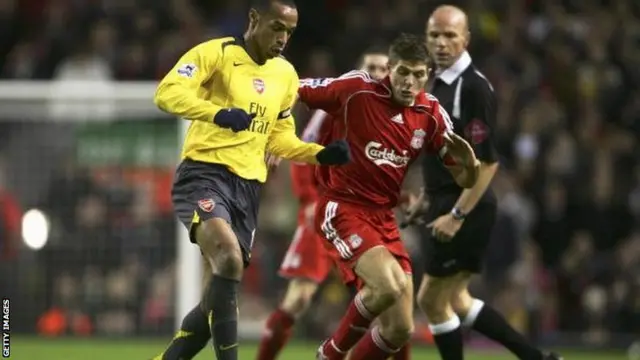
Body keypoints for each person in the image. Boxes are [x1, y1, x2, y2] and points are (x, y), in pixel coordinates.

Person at [151, 1, 351, 359]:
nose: (282, 38)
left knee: (216, 295)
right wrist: (218, 113)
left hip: (247, 189)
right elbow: (167, 93)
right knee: (227, 258)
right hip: (204, 173)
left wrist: (318, 153)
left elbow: (279, 136)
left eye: (289, 32)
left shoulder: (286, 75)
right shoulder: (217, 53)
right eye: (276, 27)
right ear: (254, 19)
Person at [298, 33, 480, 360]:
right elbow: (293, 89)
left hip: (384, 218)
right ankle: (329, 355)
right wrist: (271, 125)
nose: (410, 82)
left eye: (418, 75)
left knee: (400, 329)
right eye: (403, 73)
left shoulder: (431, 114)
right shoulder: (357, 90)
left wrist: (470, 165)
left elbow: (464, 178)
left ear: (428, 76)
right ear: (390, 69)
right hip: (343, 206)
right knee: (387, 287)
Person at [404, 5, 562, 360]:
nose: (441, 43)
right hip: (446, 203)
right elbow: (443, 155)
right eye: (434, 35)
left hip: (467, 207)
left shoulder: (474, 88)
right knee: (456, 300)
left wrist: (456, 215)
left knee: (431, 298)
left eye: (450, 35)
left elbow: (488, 163)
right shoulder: (437, 84)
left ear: (466, 39)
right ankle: (538, 358)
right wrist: (428, 199)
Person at [256, 47, 391, 360]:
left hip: (364, 217)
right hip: (325, 210)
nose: (378, 73)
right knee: (299, 298)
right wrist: (308, 199)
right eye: (371, 66)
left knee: (391, 304)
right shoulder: (337, 101)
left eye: (384, 68)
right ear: (358, 70)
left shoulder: (391, 115)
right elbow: (304, 152)